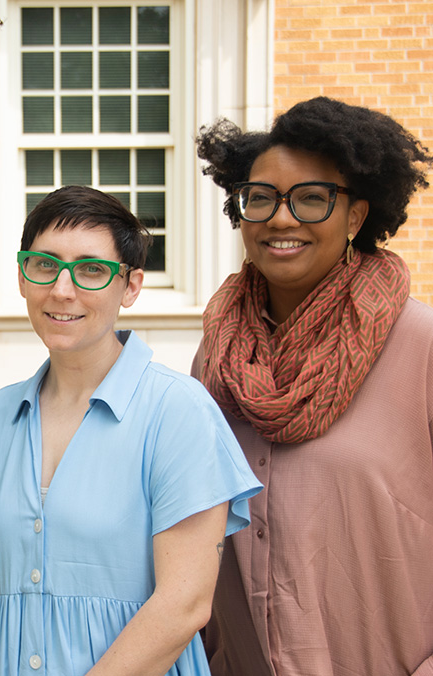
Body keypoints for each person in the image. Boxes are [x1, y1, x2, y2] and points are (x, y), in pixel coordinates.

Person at [0, 185, 262, 676]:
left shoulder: (178, 412)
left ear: (130, 286)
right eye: (44, 265)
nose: (62, 290)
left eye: (91, 270)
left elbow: (185, 603)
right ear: (23, 276)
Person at [194, 96, 433, 676]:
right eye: (260, 199)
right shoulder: (217, 356)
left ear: (355, 217)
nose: (281, 219)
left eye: (311, 199)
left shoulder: (421, 346)